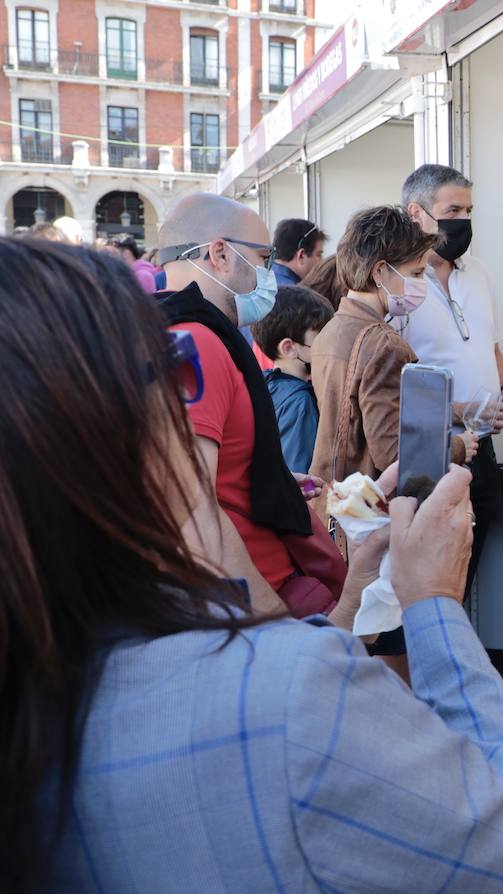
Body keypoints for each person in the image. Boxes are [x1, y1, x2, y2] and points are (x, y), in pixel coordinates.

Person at [0, 235, 503, 894]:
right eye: (170, 368)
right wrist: (434, 602)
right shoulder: (278, 703)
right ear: (100, 428)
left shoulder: (6, 699)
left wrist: (348, 601)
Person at [155, 192, 335, 617]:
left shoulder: (183, 334)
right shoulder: (197, 342)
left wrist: (266, 474)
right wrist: (272, 620)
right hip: (254, 597)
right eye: (263, 257)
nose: (269, 272)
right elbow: (193, 511)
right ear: (220, 253)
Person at [400, 164, 503, 592]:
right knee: (432, 582)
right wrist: (458, 409)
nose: (463, 221)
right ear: (417, 213)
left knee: (468, 570)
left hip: (482, 451)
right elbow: (394, 387)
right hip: (431, 456)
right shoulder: (399, 285)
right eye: (453, 210)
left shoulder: (480, 273)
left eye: (469, 211)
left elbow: (494, 348)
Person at [309, 205, 475, 490]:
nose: (421, 283)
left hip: (336, 499)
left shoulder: (331, 330)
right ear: (380, 272)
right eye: (417, 272)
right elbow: (395, 455)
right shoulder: (383, 344)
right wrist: (458, 446)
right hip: (371, 509)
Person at [253, 285, 335, 473]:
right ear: (289, 348)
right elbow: (301, 478)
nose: (328, 344)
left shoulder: (265, 384)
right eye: (321, 337)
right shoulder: (300, 403)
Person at [272, 217, 326, 286]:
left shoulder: (260, 281)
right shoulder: (294, 293)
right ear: (301, 255)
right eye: (318, 255)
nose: (322, 261)